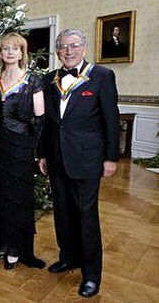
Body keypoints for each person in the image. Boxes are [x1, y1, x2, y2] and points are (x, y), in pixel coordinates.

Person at [38, 28, 119, 298]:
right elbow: (47, 125)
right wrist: (43, 154)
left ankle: (91, 274)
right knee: (62, 213)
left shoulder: (101, 76)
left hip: (87, 158)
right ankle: (68, 257)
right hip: (57, 157)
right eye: (63, 47)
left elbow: (110, 120)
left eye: (73, 46)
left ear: (84, 48)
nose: (68, 51)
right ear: (58, 51)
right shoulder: (50, 79)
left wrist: (110, 157)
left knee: (86, 217)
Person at [0, 33, 46, 271]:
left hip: (21, 147)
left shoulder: (33, 81)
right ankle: (1, 243)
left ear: (22, 53)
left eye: (14, 48)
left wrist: (38, 152)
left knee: (18, 198)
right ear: (0, 53)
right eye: (5, 49)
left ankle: (17, 249)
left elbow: (40, 120)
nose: (9, 52)